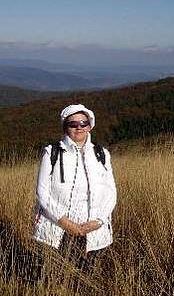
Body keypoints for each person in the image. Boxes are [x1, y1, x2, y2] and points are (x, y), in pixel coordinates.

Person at [32, 104, 117, 273]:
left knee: (87, 276)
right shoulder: (52, 153)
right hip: (57, 227)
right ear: (65, 127)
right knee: (54, 275)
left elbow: (111, 192)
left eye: (83, 123)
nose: (79, 127)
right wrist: (65, 222)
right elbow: (42, 192)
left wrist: (99, 221)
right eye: (73, 124)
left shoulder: (101, 154)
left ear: (90, 125)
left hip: (93, 229)